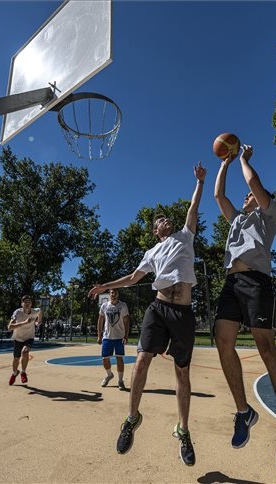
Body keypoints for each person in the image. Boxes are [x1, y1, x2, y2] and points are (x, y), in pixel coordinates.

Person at [88, 161, 207, 467]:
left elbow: (193, 206)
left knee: (182, 372)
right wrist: (106, 284)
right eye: (158, 222)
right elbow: (131, 279)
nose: (164, 220)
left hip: (183, 312)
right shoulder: (152, 253)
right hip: (159, 307)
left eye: (166, 218)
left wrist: (200, 182)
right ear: (155, 232)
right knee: (141, 361)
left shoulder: (185, 236)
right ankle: (131, 419)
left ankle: (183, 430)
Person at [213, 144, 276, 471]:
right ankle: (244, 412)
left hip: (256, 281)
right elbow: (218, 197)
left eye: (250, 196)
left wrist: (242, 159)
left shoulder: (268, 214)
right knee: (223, 342)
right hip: (231, 283)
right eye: (246, 198)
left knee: (265, 347)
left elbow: (253, 185)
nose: (245, 198)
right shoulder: (237, 221)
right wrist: (223, 163)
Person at [97, 288, 130, 390]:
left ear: (118, 294)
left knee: (119, 359)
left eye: (115, 292)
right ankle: (109, 375)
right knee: (105, 359)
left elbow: (126, 320)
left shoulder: (123, 305)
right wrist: (99, 334)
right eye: (112, 293)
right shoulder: (104, 305)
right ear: (109, 294)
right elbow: (100, 320)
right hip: (107, 337)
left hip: (119, 337)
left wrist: (126, 335)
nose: (113, 294)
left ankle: (120, 381)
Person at [8, 295, 42, 385]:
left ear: (31, 304)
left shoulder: (35, 311)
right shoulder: (17, 313)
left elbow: (40, 312)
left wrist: (39, 321)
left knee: (25, 352)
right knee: (16, 359)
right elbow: (10, 327)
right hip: (18, 338)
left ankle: (23, 372)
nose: (27, 304)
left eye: (29, 302)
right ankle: (15, 373)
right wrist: (25, 322)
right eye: (25, 302)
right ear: (22, 304)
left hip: (29, 337)